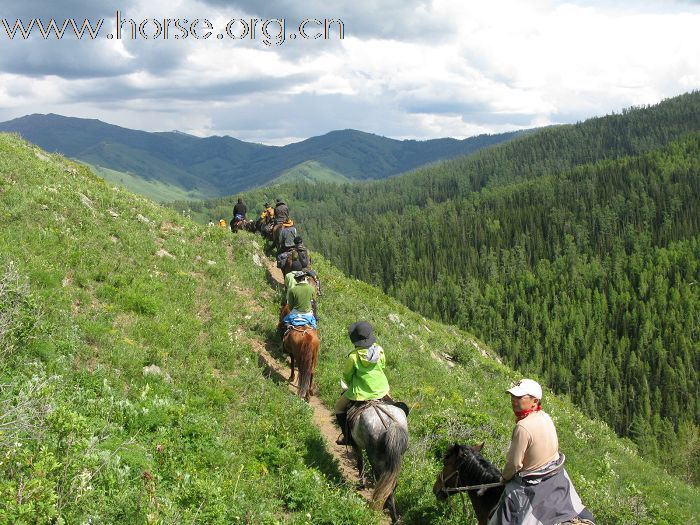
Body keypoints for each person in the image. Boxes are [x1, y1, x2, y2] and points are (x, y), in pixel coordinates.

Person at [490, 379, 595, 525]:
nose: (514, 400)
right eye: (513, 396)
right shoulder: (546, 417)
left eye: (519, 397)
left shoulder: (523, 427)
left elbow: (514, 465)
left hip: (531, 482)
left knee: (501, 516)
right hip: (555, 474)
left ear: (534, 401)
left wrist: (504, 478)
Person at [334, 321, 390, 445]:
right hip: (381, 389)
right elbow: (383, 366)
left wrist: (350, 384)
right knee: (393, 405)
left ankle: (347, 437)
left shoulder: (353, 357)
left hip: (360, 393)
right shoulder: (380, 350)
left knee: (338, 408)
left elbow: (347, 375)